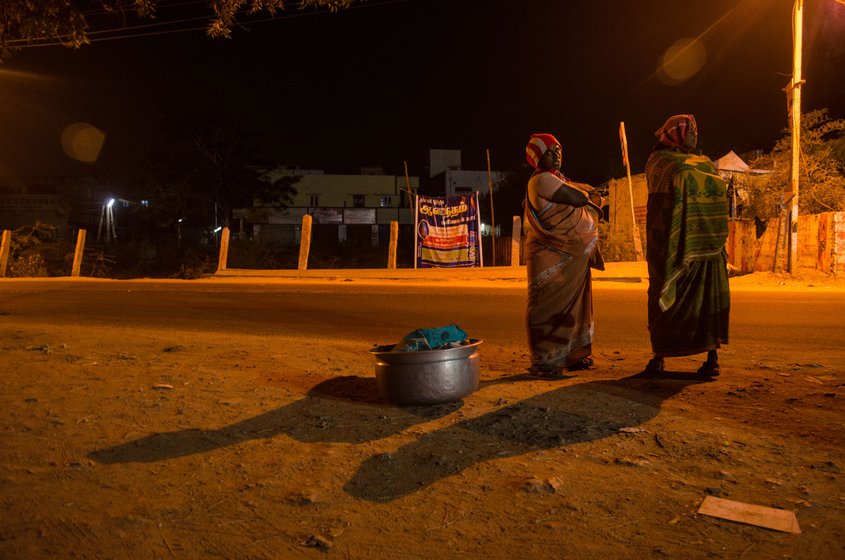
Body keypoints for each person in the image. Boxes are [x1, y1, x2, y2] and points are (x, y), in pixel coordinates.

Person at [644, 114, 730, 376]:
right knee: (663, 296)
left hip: (708, 246)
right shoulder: (659, 161)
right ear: (677, 134)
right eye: (690, 131)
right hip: (672, 241)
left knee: (706, 301)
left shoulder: (702, 162)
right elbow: (658, 206)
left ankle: (711, 357)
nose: (695, 136)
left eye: (695, 131)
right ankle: (660, 356)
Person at [523, 133, 604, 378]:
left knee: (574, 307)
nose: (556, 155)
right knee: (550, 306)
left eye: (558, 149)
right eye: (550, 151)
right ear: (538, 157)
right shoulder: (542, 180)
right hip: (554, 259)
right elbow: (577, 198)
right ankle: (544, 362)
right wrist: (586, 193)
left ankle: (571, 355)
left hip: (570, 261)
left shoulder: (557, 179)